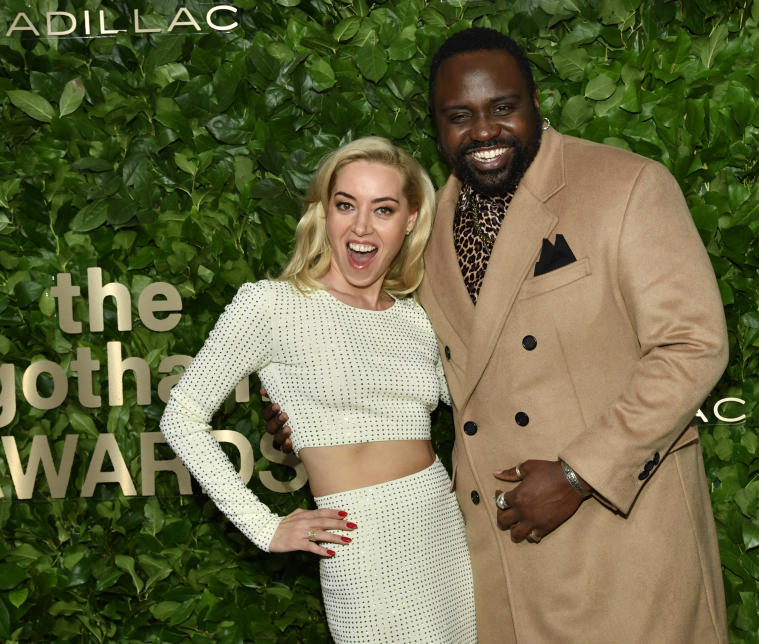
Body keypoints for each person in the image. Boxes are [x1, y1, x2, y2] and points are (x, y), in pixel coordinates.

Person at [268, 28, 729, 642]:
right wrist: (325, 405)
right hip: (493, 551)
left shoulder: (626, 186)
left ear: (537, 102)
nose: (483, 132)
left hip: (618, 534)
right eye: (460, 116)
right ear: (437, 127)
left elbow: (692, 345)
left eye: (502, 109)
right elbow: (420, 369)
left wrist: (578, 475)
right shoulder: (422, 233)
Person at [160, 137, 477, 644]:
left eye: (384, 209)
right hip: (358, 544)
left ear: (411, 220)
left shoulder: (416, 319)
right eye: (345, 204)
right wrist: (264, 528)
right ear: (324, 212)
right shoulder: (271, 305)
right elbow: (181, 415)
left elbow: (477, 407)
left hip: (441, 527)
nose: (361, 226)